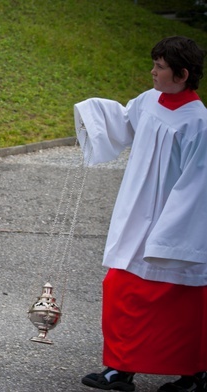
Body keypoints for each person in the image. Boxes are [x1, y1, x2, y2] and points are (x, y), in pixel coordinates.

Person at [74, 36, 207, 392]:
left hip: (172, 224)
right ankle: (121, 368)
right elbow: (124, 123)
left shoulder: (198, 123)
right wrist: (93, 116)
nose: (152, 71)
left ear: (181, 74)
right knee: (121, 288)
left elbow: (197, 186)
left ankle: (193, 373)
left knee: (182, 301)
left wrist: (169, 234)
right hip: (137, 215)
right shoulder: (150, 101)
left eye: (160, 67)